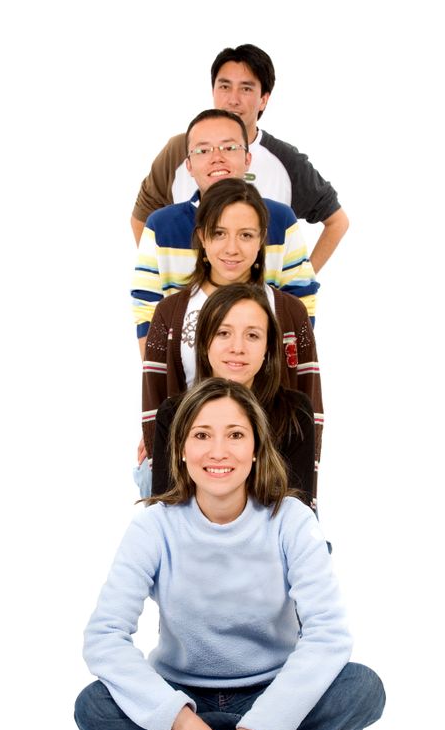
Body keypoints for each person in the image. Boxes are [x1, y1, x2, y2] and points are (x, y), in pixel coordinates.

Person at [74, 378, 385, 730]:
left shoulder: (291, 520)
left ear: (257, 448)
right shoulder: (153, 527)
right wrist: (178, 721)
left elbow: (329, 635)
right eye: (202, 435)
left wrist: (260, 729)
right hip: (185, 698)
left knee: (363, 688)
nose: (218, 450)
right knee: (93, 706)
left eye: (236, 435)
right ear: (180, 449)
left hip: (272, 690)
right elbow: (104, 638)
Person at [140, 178, 323, 501]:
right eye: (219, 233)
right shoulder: (172, 311)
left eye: (246, 235)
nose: (232, 248)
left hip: (275, 470)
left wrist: (304, 493)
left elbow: (307, 399)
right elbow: (156, 402)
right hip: (193, 467)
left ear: (262, 240)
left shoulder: (288, 311)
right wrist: (164, 472)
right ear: (201, 238)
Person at [131, 43, 349, 273]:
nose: (233, 100)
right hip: (192, 304)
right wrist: (164, 275)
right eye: (224, 86)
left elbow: (337, 221)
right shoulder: (178, 150)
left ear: (264, 99)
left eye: (246, 89)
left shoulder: (285, 160)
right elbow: (141, 219)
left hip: (258, 305)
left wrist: (295, 285)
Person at [132, 109, 319, 358]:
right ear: (188, 165)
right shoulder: (161, 225)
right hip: (186, 383)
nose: (217, 158)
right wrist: (163, 382)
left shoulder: (281, 219)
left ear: (248, 159)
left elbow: (301, 301)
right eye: (203, 150)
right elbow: (147, 311)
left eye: (229, 148)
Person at [152, 283, 316, 508]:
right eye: (223, 333)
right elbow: (164, 510)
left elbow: (298, 514)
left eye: (252, 335)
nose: (237, 347)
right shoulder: (172, 414)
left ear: (268, 347)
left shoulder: (295, 412)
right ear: (204, 342)